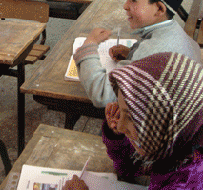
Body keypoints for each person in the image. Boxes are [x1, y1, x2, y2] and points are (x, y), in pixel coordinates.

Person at [65, 52, 203, 189]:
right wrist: (117, 137)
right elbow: (129, 169)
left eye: (131, 117)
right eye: (122, 111)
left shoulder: (189, 182)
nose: (120, 126)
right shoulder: (173, 148)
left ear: (167, 124)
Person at [73, 0, 201, 108]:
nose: (125, 6)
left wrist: (89, 45)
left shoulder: (153, 53)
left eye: (133, 0)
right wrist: (131, 55)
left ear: (159, 8)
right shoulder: (174, 31)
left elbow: (103, 95)